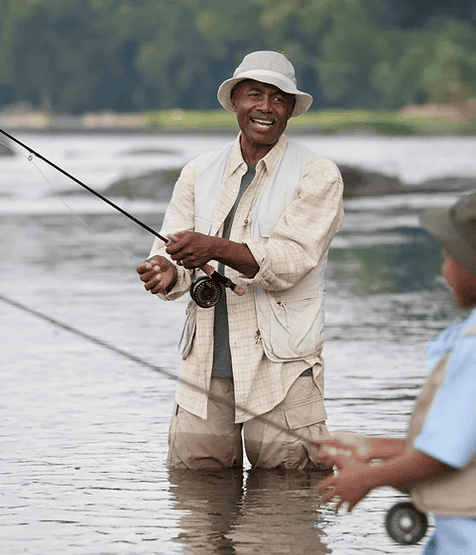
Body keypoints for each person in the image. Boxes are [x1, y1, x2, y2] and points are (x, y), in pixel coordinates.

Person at [315, 185, 476, 554]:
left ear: (475, 268)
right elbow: (468, 444)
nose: (444, 270)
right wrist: (369, 447)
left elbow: (440, 458)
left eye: (449, 257)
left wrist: (366, 479)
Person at [136, 51, 344, 470]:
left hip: (282, 368)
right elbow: (172, 248)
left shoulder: (318, 175)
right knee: (196, 496)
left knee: (291, 497)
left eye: (278, 98)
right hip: (204, 366)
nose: (265, 107)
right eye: (254, 95)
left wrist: (212, 248)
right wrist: (166, 270)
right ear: (235, 102)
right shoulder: (198, 171)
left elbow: (291, 261)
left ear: (289, 110)